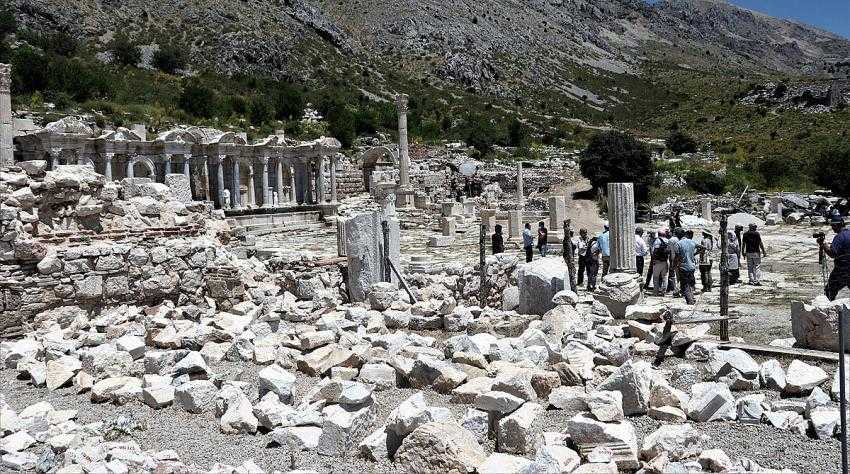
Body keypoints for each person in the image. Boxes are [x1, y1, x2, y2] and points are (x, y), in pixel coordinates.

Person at [819, 214, 850, 300]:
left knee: (830, 290)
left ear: (836, 225)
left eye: (833, 226)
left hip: (842, 270)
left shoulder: (839, 237)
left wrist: (823, 245)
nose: (832, 228)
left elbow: (832, 253)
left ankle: (828, 311)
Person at [674, 229, 698, 305]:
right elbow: (702, 247)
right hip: (692, 266)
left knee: (685, 285)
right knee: (690, 284)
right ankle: (692, 298)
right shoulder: (692, 242)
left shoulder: (678, 244)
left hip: (683, 267)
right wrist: (694, 254)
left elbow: (677, 257)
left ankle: (690, 301)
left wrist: (674, 265)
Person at [651, 229, 671, 296]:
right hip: (665, 261)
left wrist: (653, 260)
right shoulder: (667, 241)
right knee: (665, 277)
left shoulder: (657, 241)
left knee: (656, 277)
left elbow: (654, 251)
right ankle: (663, 292)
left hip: (657, 262)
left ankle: (656, 292)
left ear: (658, 234)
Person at [667, 228, 683, 296]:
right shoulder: (681, 240)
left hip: (674, 259)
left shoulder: (671, 240)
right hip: (681, 259)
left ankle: (675, 289)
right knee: (680, 275)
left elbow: (668, 250)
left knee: (673, 275)